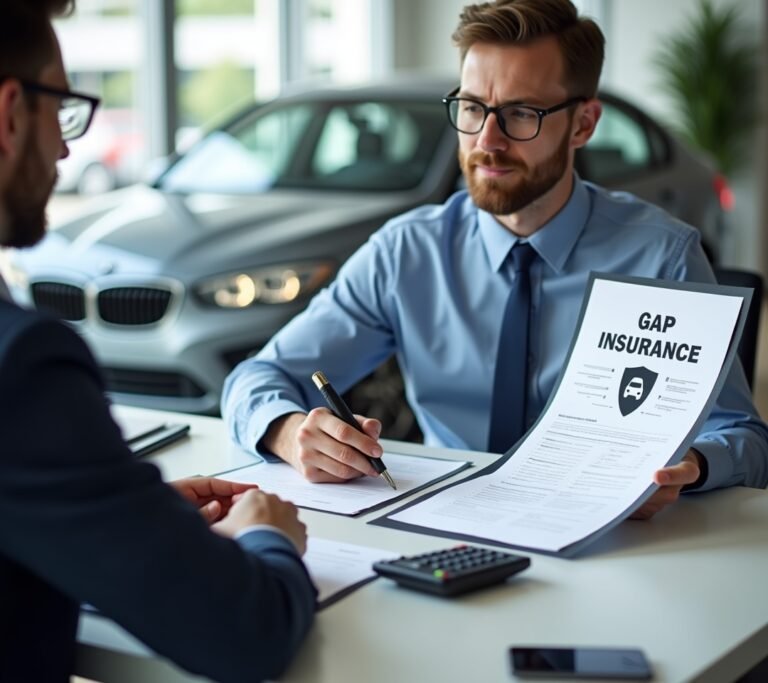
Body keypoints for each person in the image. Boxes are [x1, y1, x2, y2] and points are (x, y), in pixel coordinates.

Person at [222, 0, 768, 518]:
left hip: (611, 537)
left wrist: (689, 469)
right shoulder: (407, 252)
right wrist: (287, 432)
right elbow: (257, 377)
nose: (488, 140)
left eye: (521, 113)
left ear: (583, 124)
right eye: (472, 108)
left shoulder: (661, 256)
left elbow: (745, 439)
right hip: (445, 519)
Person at [0, 2, 316, 682]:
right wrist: (270, 534)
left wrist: (125, 517)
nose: (63, 146)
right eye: (62, 109)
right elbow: (245, 632)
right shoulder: (20, 367)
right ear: (8, 116)